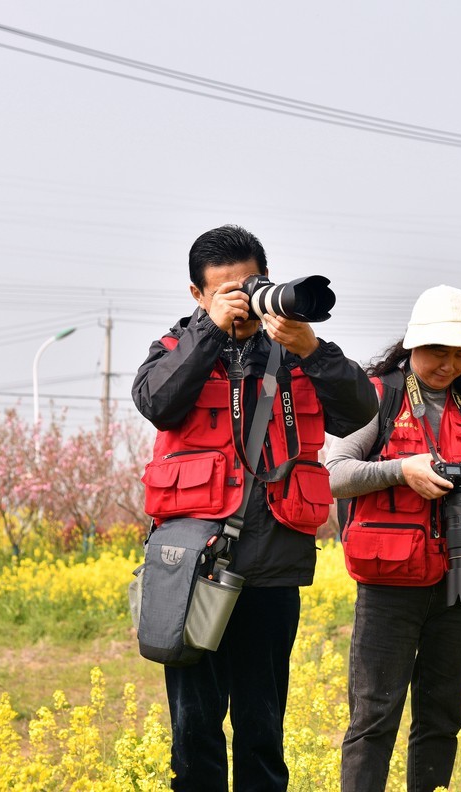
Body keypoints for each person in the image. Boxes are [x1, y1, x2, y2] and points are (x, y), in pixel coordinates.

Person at [131, 224, 378, 791]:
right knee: (194, 733)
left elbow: (359, 410)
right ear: (197, 295)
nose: (241, 301)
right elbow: (157, 403)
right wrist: (210, 333)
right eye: (224, 292)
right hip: (191, 566)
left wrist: (310, 348)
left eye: (250, 285)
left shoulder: (294, 351)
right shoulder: (174, 348)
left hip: (269, 569)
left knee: (262, 731)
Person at [327, 284, 461, 792]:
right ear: (413, 344)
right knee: (374, 719)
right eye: (439, 351)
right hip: (390, 584)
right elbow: (334, 473)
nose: (449, 364)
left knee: (443, 716)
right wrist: (400, 470)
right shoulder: (376, 396)